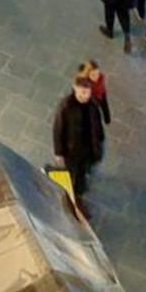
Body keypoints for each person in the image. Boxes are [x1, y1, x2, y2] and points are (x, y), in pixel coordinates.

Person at [52, 74, 106, 217]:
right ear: (75, 89)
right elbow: (58, 129)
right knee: (73, 175)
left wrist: (100, 141)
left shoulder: (92, 105)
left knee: (82, 171)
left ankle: (79, 189)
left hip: (88, 149)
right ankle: (74, 199)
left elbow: (97, 124)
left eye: (87, 93)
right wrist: (59, 152)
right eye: (82, 92)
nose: (85, 96)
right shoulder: (66, 106)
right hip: (72, 151)